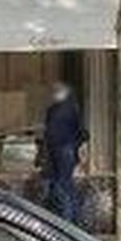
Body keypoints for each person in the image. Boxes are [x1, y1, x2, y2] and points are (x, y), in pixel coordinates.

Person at [40, 81, 88, 225]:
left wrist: (77, 147)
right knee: (61, 185)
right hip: (58, 150)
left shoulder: (69, 108)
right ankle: (71, 220)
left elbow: (80, 132)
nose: (55, 94)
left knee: (63, 185)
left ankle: (68, 222)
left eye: (58, 91)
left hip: (65, 150)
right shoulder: (55, 109)